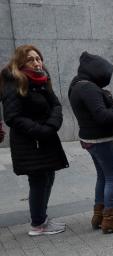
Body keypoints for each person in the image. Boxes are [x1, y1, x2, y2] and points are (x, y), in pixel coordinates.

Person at [0, 45, 68, 236]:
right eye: (31, 59)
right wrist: (40, 131)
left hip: (45, 138)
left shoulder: (42, 79)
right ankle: (37, 224)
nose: (37, 62)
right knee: (38, 180)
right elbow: (12, 117)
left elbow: (55, 105)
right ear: (21, 62)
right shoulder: (15, 82)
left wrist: (51, 126)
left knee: (48, 176)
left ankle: (42, 218)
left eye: (39, 58)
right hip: (30, 142)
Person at [69, 52, 113, 234]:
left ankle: (99, 216)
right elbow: (103, 116)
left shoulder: (77, 85)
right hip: (100, 139)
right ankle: (109, 220)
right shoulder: (89, 89)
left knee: (103, 176)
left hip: (89, 139)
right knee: (112, 177)